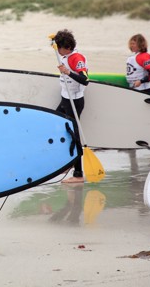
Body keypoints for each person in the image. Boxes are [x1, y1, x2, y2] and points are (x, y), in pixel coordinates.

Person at [53, 29, 89, 184]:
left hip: (74, 102)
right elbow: (56, 46)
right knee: (55, 124)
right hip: (65, 99)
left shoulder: (76, 58)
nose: (58, 51)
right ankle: (68, 163)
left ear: (66, 47)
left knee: (74, 137)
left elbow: (85, 79)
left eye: (59, 48)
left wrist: (67, 72)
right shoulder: (66, 55)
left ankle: (78, 174)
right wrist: (54, 41)